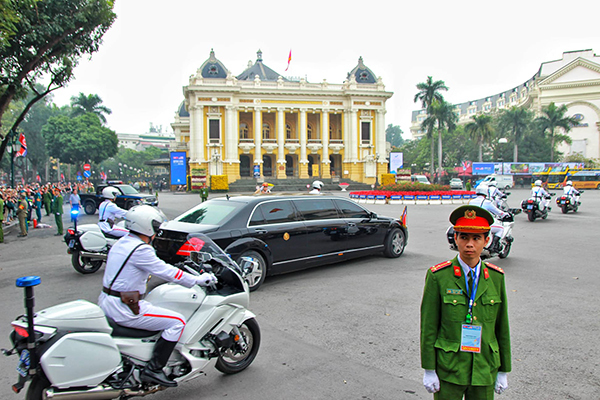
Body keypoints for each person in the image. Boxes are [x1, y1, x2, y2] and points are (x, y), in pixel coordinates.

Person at [98, 205, 217, 387]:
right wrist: (198, 279)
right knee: (177, 322)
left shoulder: (122, 243)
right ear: (146, 226)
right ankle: (154, 369)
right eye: (155, 227)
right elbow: (167, 272)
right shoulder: (141, 250)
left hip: (107, 301)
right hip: (125, 307)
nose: (156, 231)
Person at [420, 205, 511, 399]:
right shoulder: (439, 276)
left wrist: (504, 369)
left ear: (487, 240)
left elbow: (502, 326)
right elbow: (428, 327)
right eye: (464, 237)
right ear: (456, 239)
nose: (470, 244)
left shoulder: (496, 277)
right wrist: (429, 368)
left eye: (476, 238)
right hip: (449, 368)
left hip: (485, 367)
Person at [469, 187, 510, 254]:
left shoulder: (471, 202)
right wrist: (505, 214)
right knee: (501, 229)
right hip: (483, 224)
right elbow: (498, 212)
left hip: (473, 223)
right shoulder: (487, 202)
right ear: (486, 192)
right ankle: (493, 246)